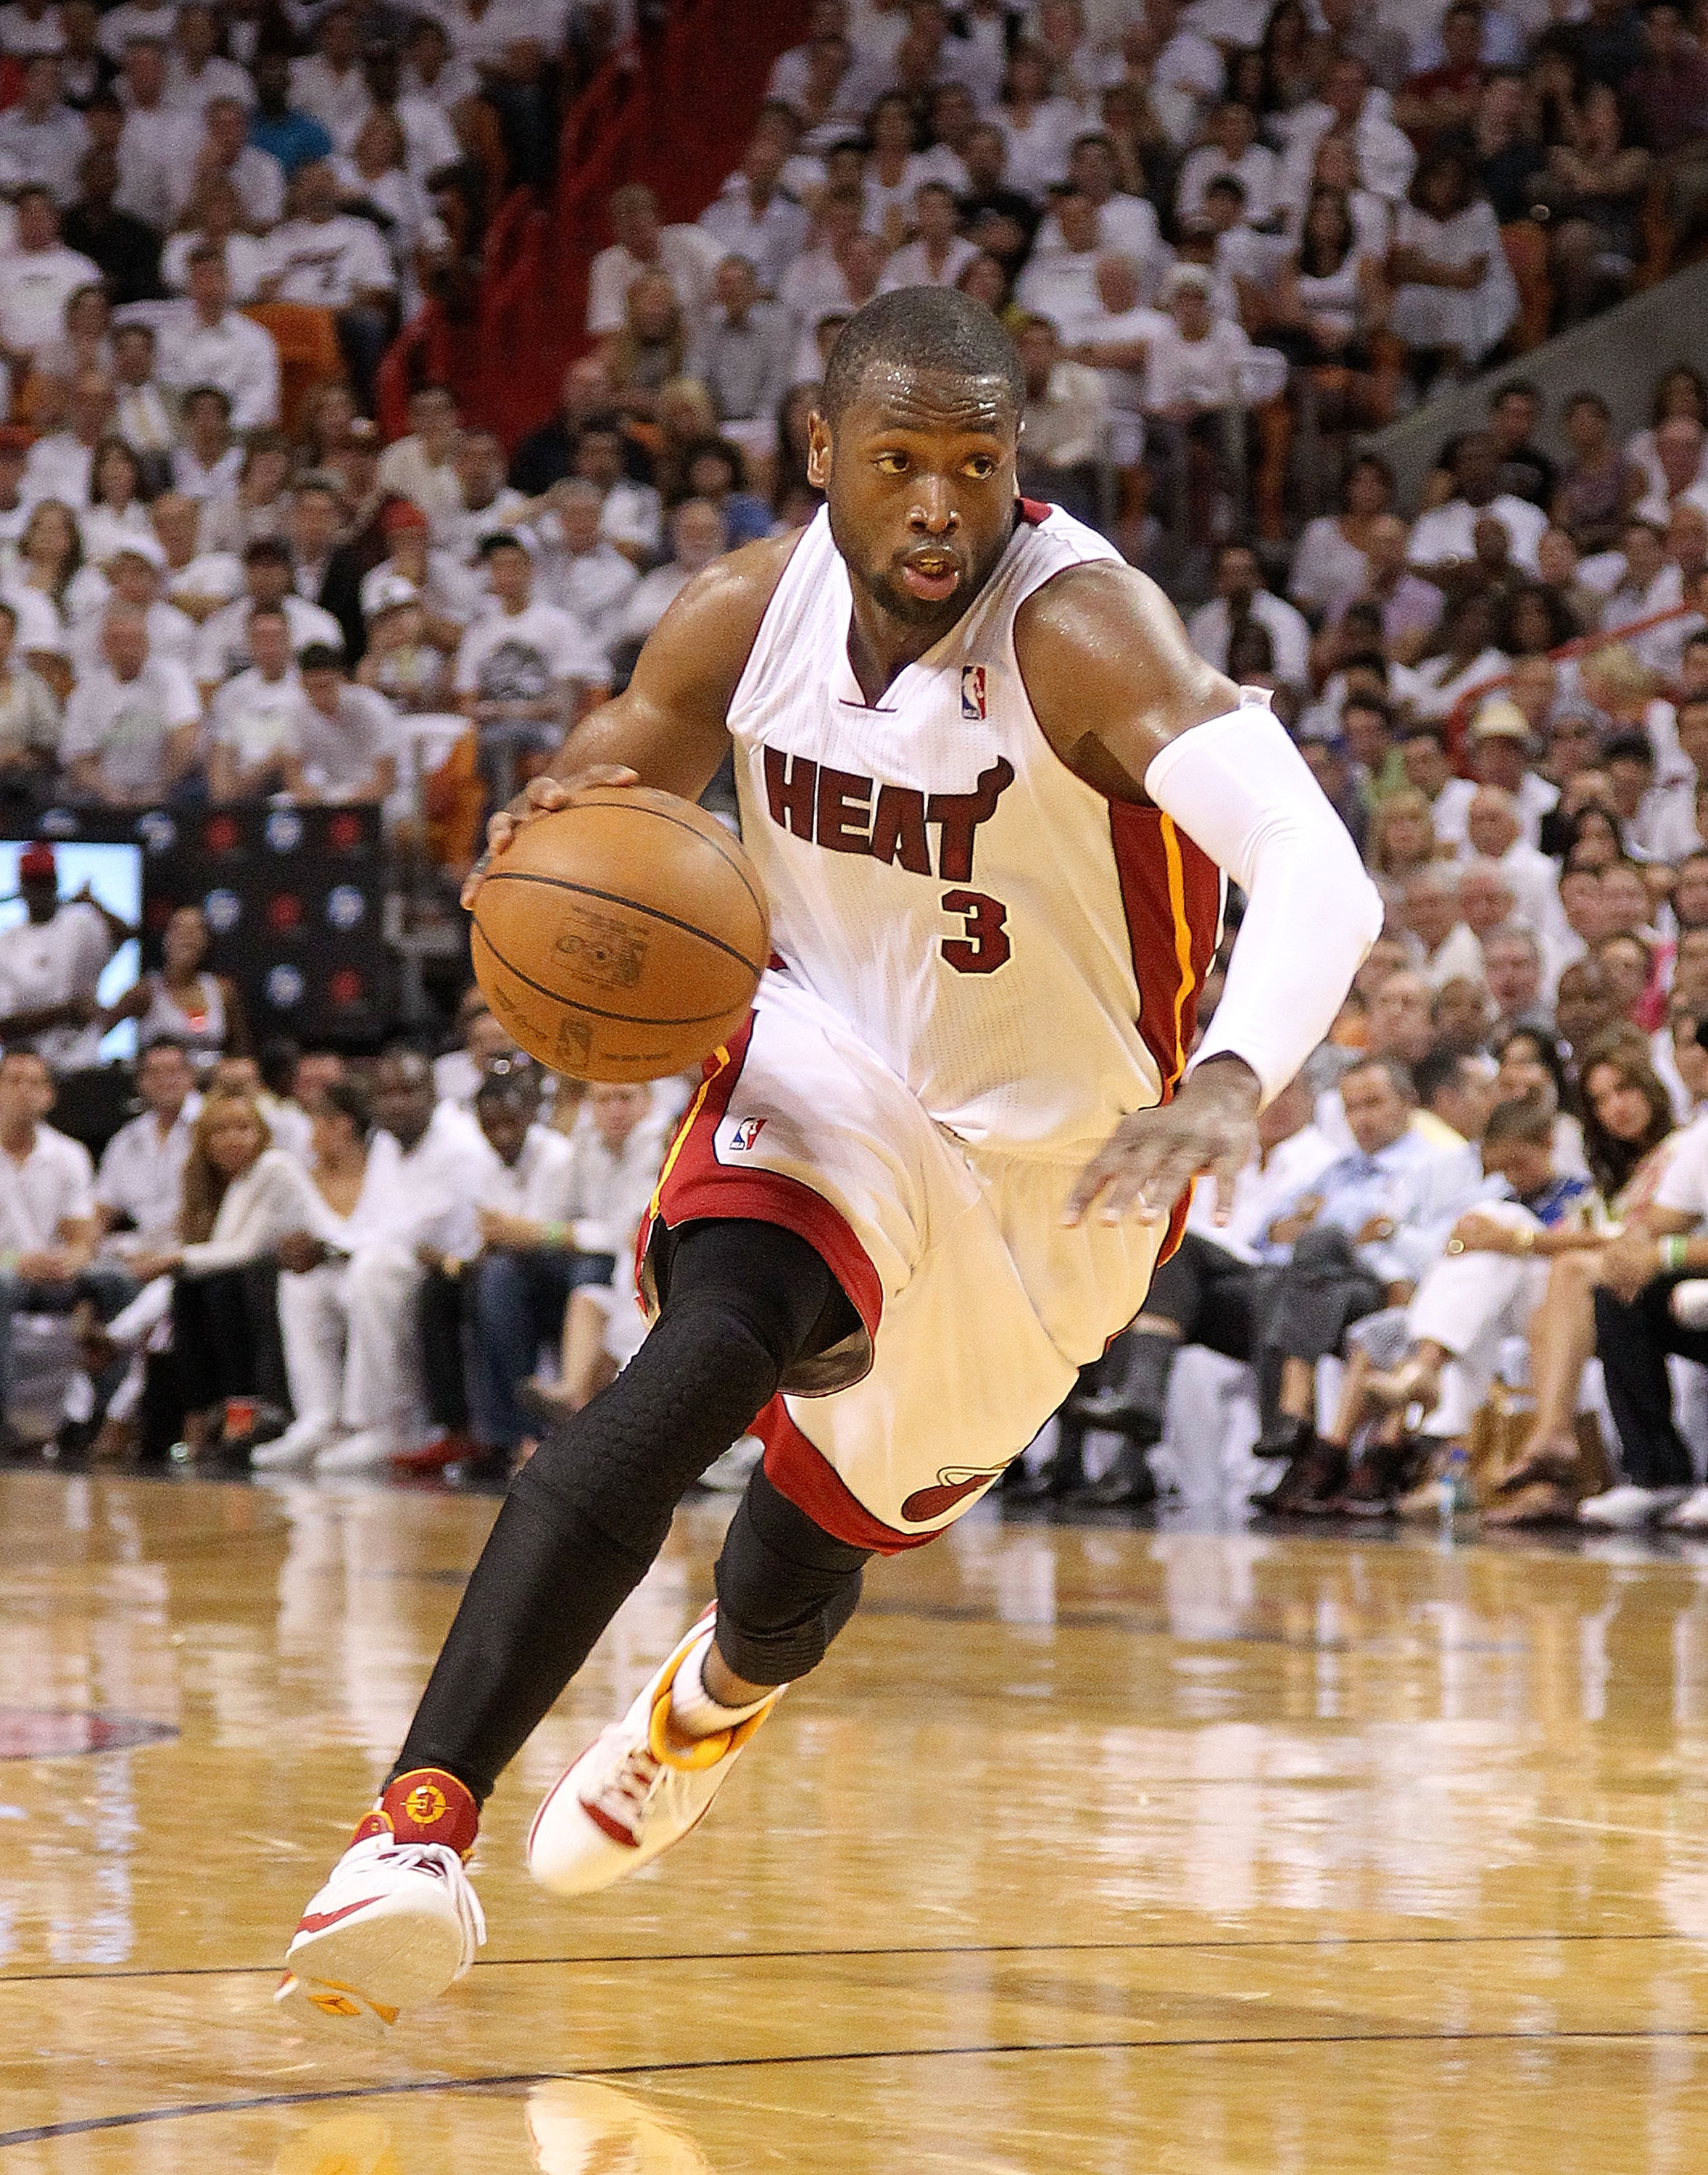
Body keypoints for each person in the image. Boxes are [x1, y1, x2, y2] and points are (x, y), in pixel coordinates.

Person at [277, 286, 1382, 2036]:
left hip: (1063, 1177)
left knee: (795, 1568)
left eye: (975, 461)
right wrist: (547, 844)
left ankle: (710, 1697)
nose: (938, 504)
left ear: (1017, 465)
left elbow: (1319, 867)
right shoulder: (744, 612)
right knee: (710, 1346)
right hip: (823, 1065)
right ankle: (416, 1825)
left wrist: (1234, 1076)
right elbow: (600, 790)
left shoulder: (1080, 629)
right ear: (819, 458)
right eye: (896, 462)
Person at [0, 840, 120, 1076]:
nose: (41, 891)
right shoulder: (7, 943)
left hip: (82, 1065)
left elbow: (127, 935)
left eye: (46, 882)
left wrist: (95, 903)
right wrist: (66, 1012)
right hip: (28, 1071)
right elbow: (5, 1025)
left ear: (56, 883)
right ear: (22, 887)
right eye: (34, 883)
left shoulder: (81, 922)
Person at [99, 902, 247, 1074]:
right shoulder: (145, 992)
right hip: (162, 1088)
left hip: (210, 1092)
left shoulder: (222, 991)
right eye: (180, 930)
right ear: (166, 939)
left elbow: (241, 1050)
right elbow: (98, 1032)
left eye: (195, 931)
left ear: (206, 941)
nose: (187, 938)